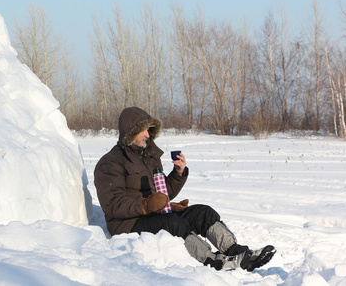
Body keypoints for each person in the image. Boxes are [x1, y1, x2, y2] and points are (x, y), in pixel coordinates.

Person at [94, 107, 276, 271]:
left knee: (203, 212)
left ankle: (239, 254)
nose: (148, 135)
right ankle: (214, 261)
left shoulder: (148, 156)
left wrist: (178, 174)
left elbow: (163, 194)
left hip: (153, 215)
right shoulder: (110, 162)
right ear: (131, 131)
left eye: (149, 130)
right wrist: (145, 205)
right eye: (143, 130)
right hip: (127, 224)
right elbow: (112, 204)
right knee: (174, 223)